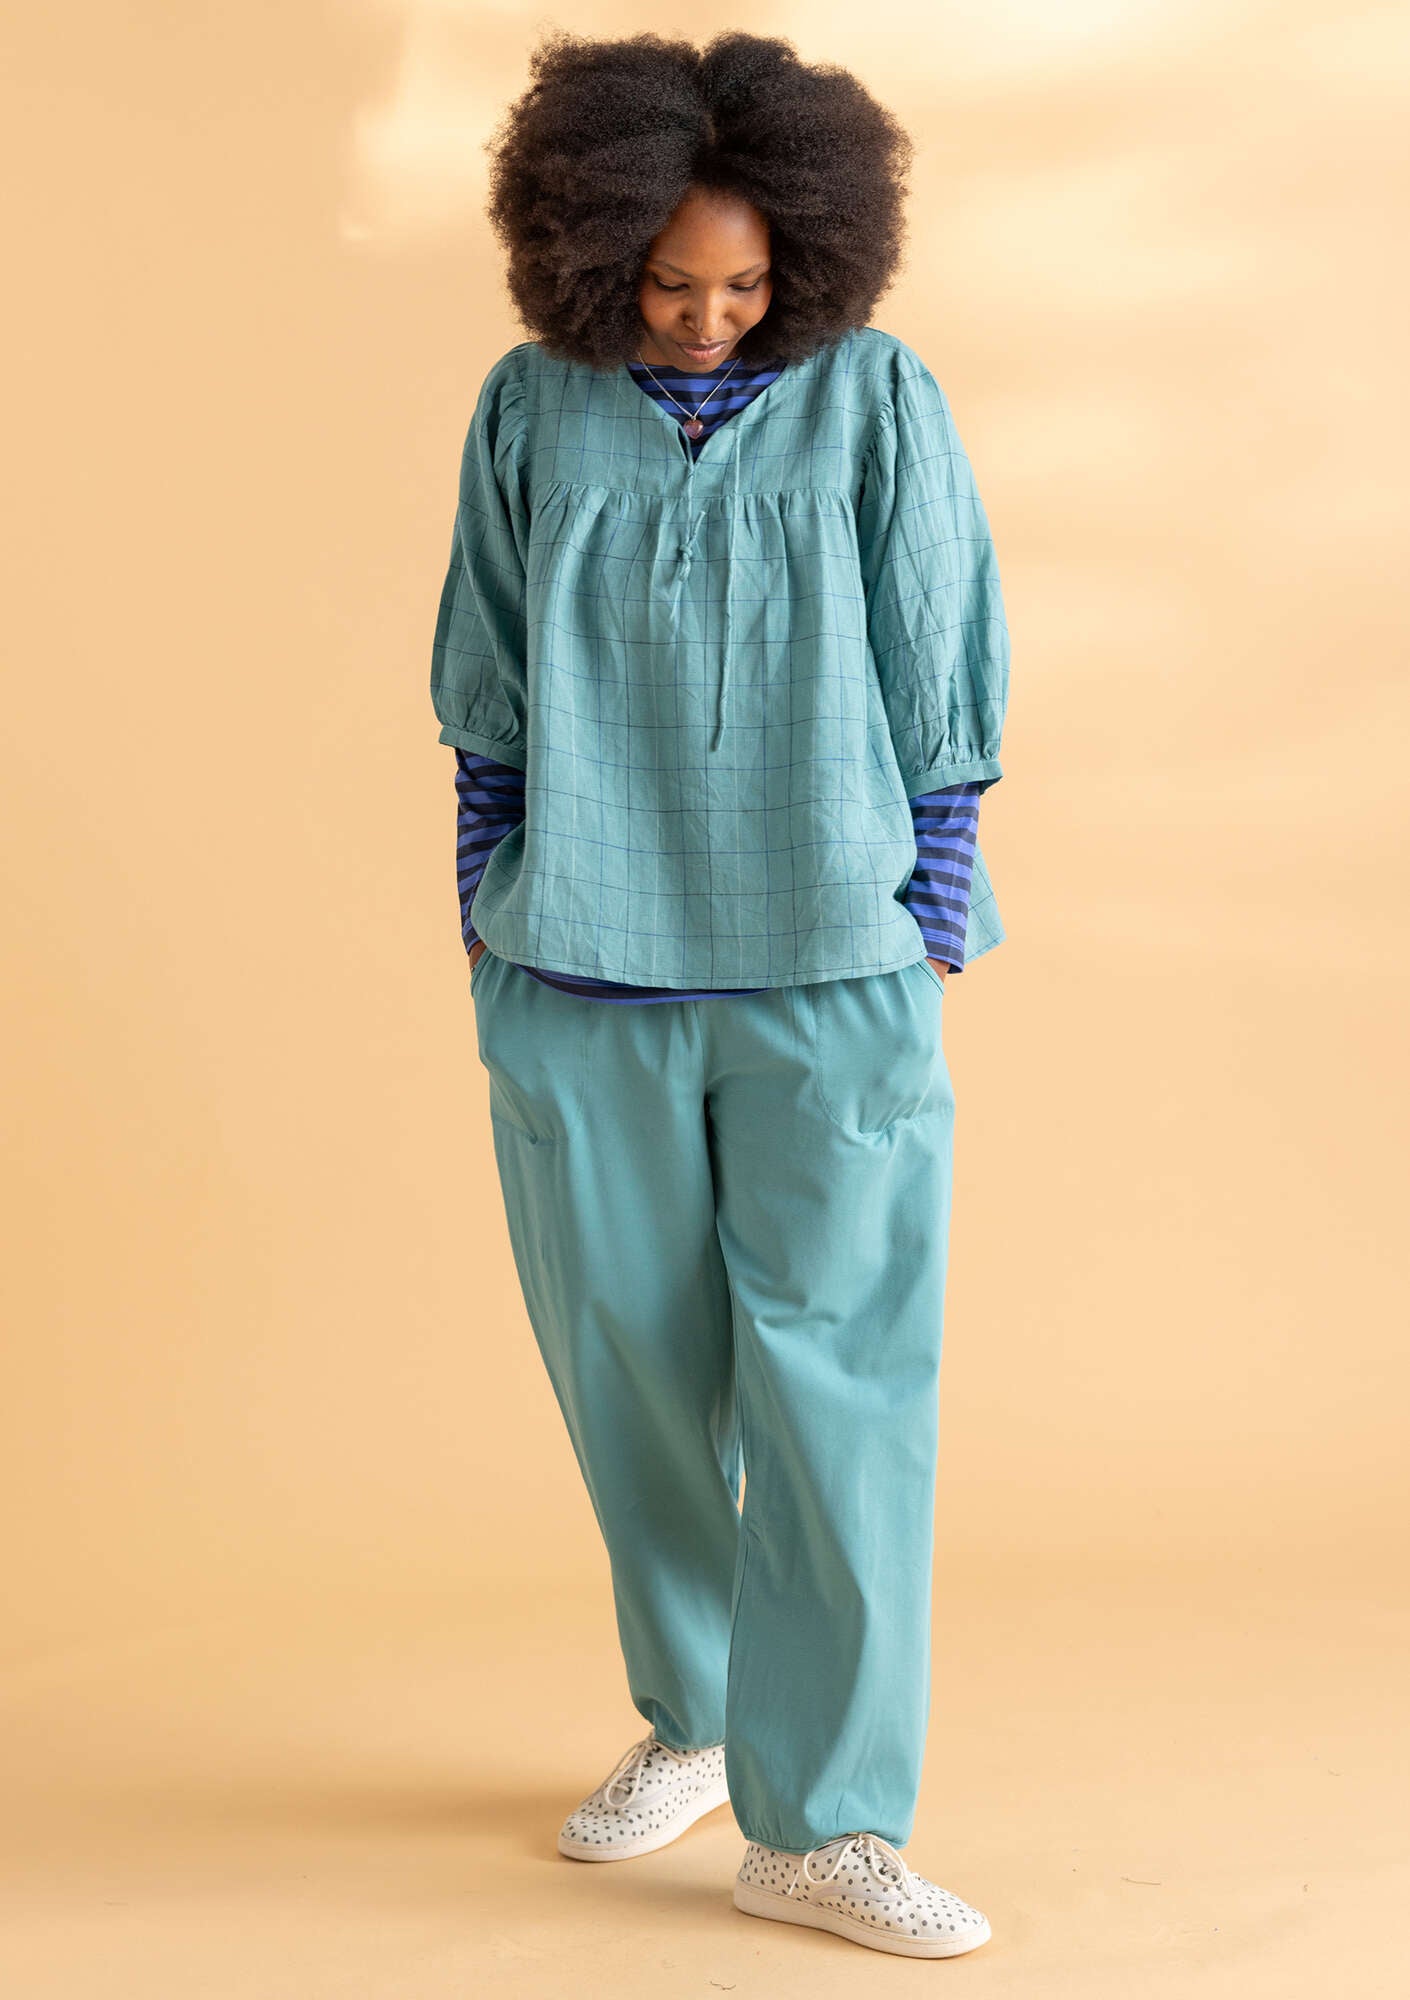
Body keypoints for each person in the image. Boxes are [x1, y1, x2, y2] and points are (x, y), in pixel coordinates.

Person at [430, 28, 1010, 1961]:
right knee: (628, 1376)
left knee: (846, 1388)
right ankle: (691, 1717)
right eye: (669, 284)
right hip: (576, 965)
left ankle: (825, 1824)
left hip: (829, 966)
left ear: (809, 259)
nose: (702, 319)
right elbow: (487, 679)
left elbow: (939, 655)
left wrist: (928, 912)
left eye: (743, 286)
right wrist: (486, 903)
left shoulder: (875, 396)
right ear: (589, 251)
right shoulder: (532, 405)